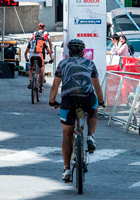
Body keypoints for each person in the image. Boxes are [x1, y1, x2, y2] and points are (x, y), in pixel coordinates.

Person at [48, 39, 105, 183]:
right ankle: (91, 136)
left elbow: (55, 85)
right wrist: (101, 101)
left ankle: (66, 169)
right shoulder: (90, 64)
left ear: (69, 51)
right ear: (83, 52)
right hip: (87, 98)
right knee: (93, 111)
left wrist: (51, 101)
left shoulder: (63, 64)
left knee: (67, 134)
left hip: (68, 100)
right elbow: (97, 86)